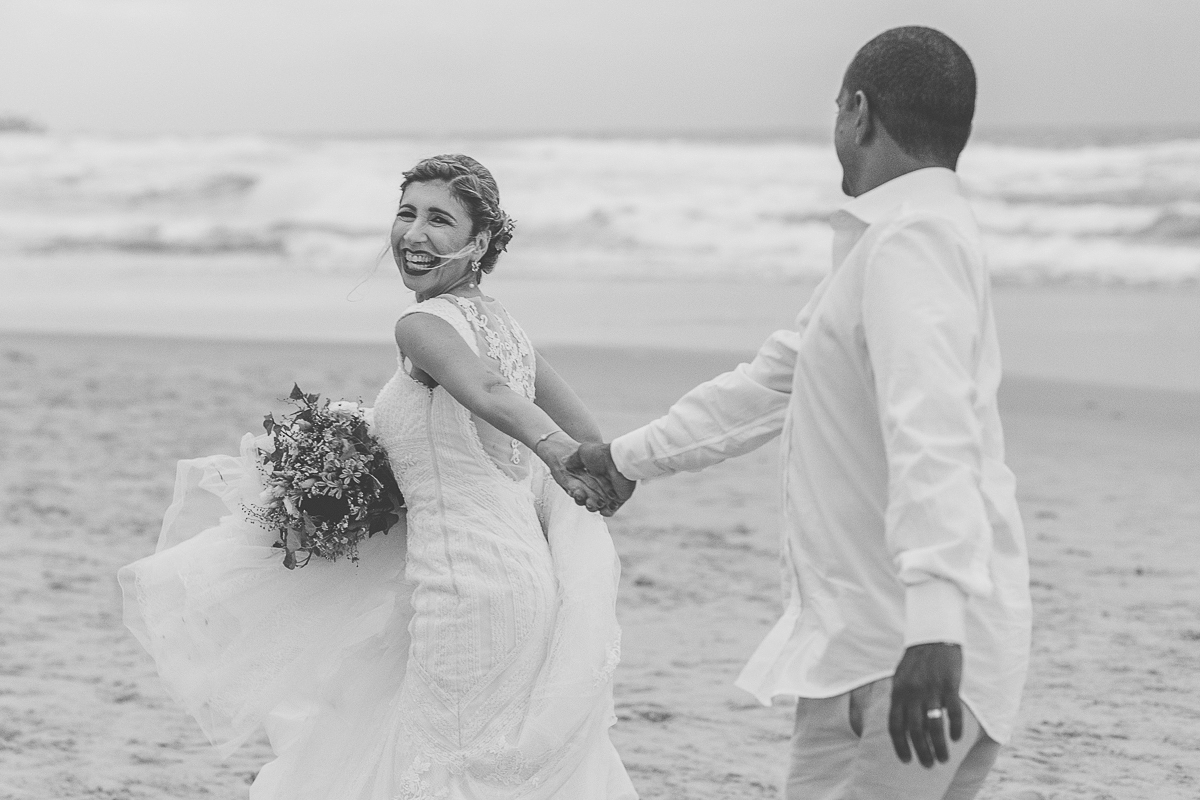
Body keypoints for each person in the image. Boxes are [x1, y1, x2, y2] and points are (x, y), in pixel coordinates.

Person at [568, 27, 1032, 800]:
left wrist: (935, 622)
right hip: (876, 648)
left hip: (906, 650)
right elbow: (767, 386)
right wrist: (622, 459)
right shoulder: (891, 245)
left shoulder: (911, 243)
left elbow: (933, 429)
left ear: (857, 111)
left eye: (836, 114)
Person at [120, 154, 637, 799]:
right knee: (479, 762)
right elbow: (595, 443)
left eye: (439, 220)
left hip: (465, 585)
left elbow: (487, 390)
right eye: (406, 213)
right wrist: (609, 464)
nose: (414, 234)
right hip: (526, 582)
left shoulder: (422, 325)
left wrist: (556, 451)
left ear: (479, 242)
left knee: (449, 769)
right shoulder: (505, 327)